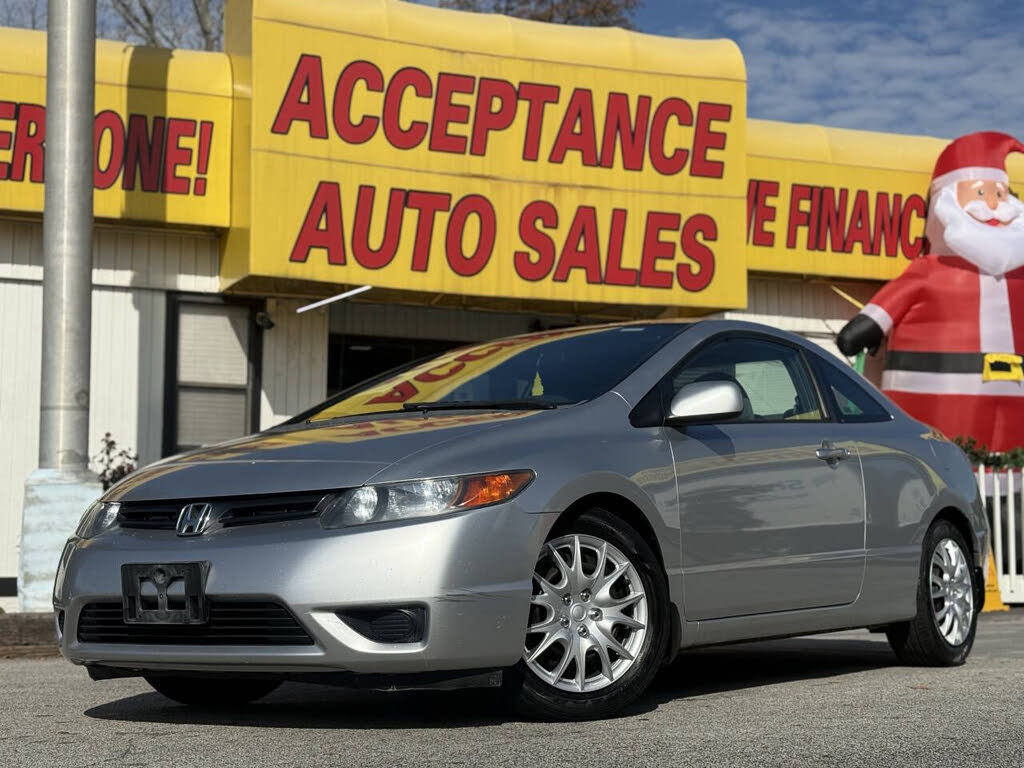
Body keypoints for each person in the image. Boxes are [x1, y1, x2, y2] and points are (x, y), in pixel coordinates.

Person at [836, 131, 1024, 451]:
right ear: (944, 204)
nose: (993, 204)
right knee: (947, 457)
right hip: (939, 397)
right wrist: (864, 329)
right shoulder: (930, 270)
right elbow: (873, 319)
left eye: (1000, 193)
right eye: (980, 192)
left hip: (1015, 398)